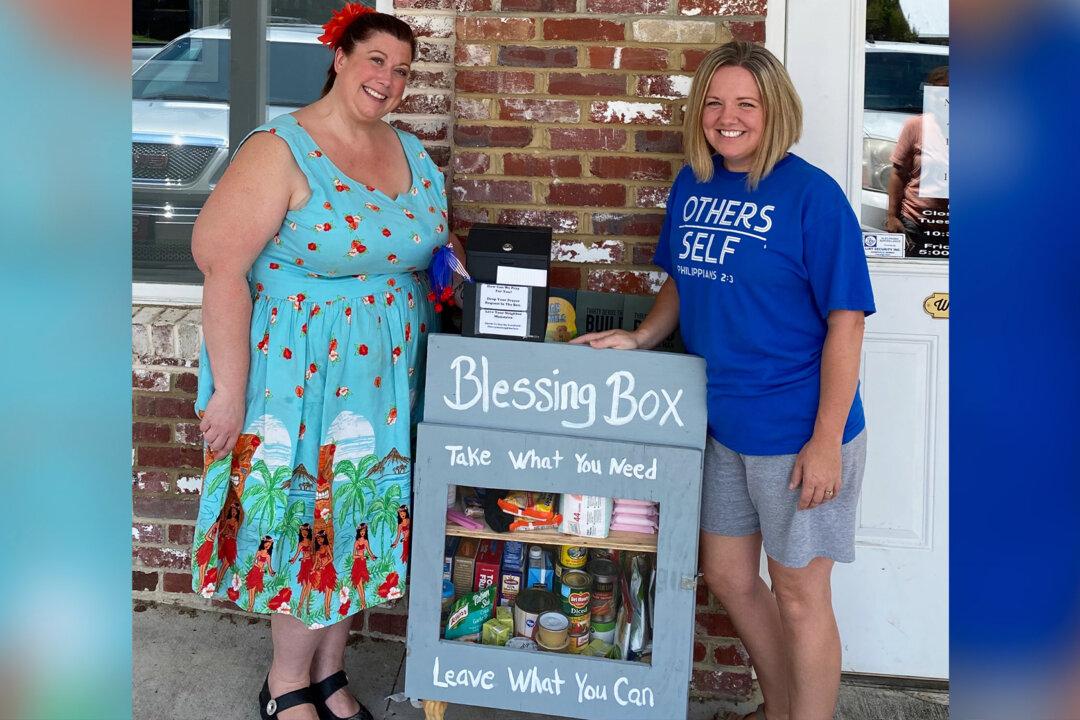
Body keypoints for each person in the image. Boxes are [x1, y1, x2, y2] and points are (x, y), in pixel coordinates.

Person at [572, 41, 875, 720]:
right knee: (730, 576)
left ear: (775, 112)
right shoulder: (693, 182)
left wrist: (826, 440)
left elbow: (847, 324)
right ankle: (782, 705)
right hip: (719, 424)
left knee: (799, 593)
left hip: (798, 431)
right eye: (714, 101)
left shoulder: (812, 197)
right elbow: (685, 277)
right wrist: (643, 335)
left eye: (746, 103)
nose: (727, 116)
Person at [189, 5, 460, 719]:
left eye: (402, 70)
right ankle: (286, 686)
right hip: (301, 374)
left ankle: (331, 675)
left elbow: (429, 249)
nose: (388, 80)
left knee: (359, 523)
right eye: (375, 60)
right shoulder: (281, 148)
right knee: (307, 526)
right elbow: (220, 266)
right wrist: (229, 394)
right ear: (339, 57)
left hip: (389, 377)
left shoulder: (411, 152)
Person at [885, 66, 950, 256]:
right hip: (916, 225)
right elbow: (897, 173)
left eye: (947, 89)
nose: (942, 97)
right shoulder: (916, 126)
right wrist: (891, 216)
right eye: (937, 91)